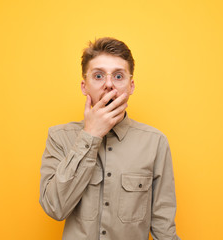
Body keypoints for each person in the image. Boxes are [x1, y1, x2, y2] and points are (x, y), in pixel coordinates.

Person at [39, 37, 181, 240]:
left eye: (118, 76)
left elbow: (163, 227)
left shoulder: (155, 142)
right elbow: (55, 208)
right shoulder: (59, 137)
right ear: (84, 86)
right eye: (98, 76)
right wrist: (90, 136)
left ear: (130, 86)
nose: (108, 84)